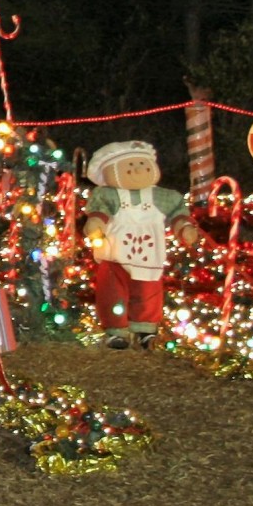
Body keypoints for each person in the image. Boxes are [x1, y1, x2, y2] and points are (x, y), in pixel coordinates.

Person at [82, 140, 199, 349]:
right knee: (113, 294)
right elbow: (100, 212)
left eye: (143, 166)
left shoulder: (163, 197)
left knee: (148, 292)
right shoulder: (108, 195)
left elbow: (177, 214)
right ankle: (116, 330)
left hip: (149, 255)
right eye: (129, 166)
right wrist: (96, 224)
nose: (137, 171)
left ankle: (145, 329)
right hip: (114, 255)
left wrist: (184, 228)